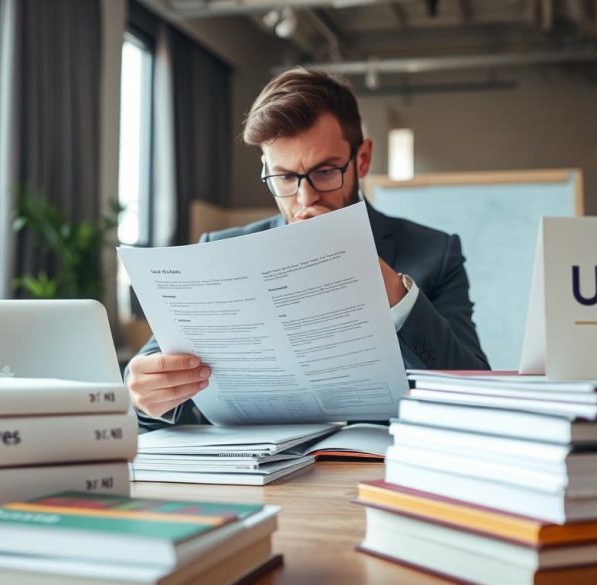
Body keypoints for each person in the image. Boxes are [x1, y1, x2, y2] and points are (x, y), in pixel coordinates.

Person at [127, 68, 489, 428]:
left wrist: (394, 292)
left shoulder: (435, 253)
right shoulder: (219, 252)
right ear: (265, 169)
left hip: (380, 471)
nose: (305, 197)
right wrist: (147, 398)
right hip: (260, 474)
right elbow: (154, 400)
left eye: (326, 171)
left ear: (361, 159)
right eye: (284, 177)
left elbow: (476, 393)